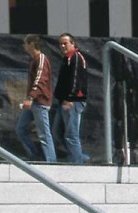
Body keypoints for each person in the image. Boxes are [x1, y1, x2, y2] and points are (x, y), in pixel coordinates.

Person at [15, 34, 56, 163]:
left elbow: (40, 80)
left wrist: (30, 97)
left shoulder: (41, 59)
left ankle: (51, 160)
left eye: (25, 43)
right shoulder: (34, 59)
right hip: (34, 102)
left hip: (40, 102)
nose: (24, 46)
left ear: (32, 44)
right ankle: (35, 155)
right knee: (21, 129)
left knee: (44, 133)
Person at [53, 33, 90, 165]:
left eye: (65, 43)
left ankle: (76, 161)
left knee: (71, 134)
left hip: (73, 101)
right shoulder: (67, 58)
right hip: (64, 101)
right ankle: (79, 156)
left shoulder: (75, 57)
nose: (63, 46)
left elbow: (76, 80)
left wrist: (70, 98)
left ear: (73, 43)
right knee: (57, 132)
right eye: (61, 44)